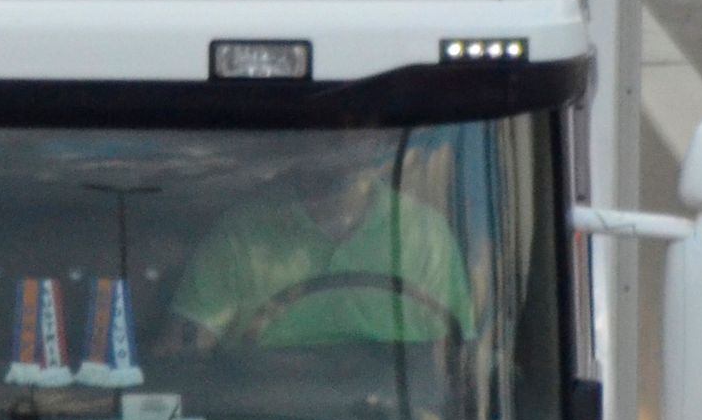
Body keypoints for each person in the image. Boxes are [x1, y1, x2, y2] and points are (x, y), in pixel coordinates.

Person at [164, 135, 479, 353]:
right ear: (304, 143)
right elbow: (185, 356)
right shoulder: (244, 233)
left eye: (357, 125)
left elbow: (453, 362)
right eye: (331, 131)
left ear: (380, 138)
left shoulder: (423, 232)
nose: (343, 142)